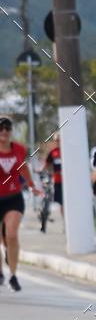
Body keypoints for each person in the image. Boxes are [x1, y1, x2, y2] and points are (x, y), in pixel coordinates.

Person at [0, 115, 42, 291]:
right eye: (0, 128)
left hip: (13, 197)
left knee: (11, 235)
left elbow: (23, 167)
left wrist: (32, 186)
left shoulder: (19, 149)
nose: (4, 131)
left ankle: (13, 275)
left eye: (7, 128)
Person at [44, 133, 63, 218]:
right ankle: (65, 222)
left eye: (59, 140)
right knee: (62, 203)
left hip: (68, 181)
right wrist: (51, 172)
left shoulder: (67, 151)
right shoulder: (53, 152)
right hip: (58, 181)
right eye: (56, 140)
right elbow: (47, 165)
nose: (58, 142)